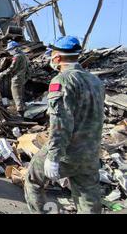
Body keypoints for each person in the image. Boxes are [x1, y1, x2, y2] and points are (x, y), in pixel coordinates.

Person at [24, 36, 105, 214]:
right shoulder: (96, 82)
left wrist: (53, 157)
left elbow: (60, 123)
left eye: (52, 54)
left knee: (33, 181)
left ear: (57, 58)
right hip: (90, 152)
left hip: (68, 152)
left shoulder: (62, 81)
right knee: (88, 197)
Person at [0, 41, 30, 116]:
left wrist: (2, 73)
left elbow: (12, 68)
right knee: (21, 94)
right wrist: (27, 77)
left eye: (10, 50)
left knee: (16, 94)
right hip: (22, 77)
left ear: (15, 48)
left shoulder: (17, 56)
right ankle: (23, 108)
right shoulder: (24, 55)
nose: (9, 52)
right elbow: (28, 68)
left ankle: (20, 112)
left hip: (16, 78)